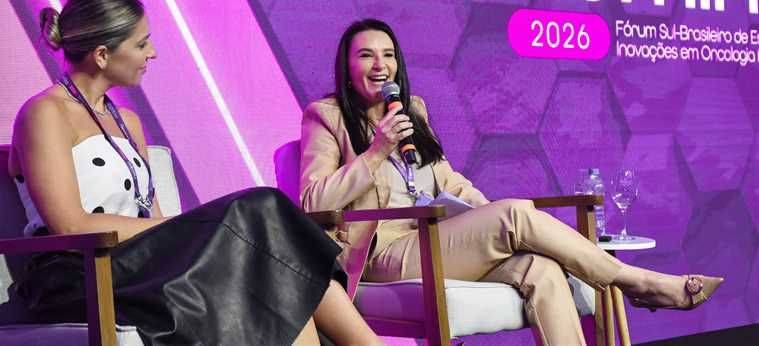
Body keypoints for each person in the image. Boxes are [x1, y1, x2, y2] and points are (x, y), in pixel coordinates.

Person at [299, 18, 723, 346]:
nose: (380, 65)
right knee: (515, 213)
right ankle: (635, 281)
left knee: (542, 269)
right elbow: (311, 201)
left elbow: (448, 180)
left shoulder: (413, 110)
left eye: (388, 55)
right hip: (382, 255)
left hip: (437, 241)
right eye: (366, 55)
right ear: (347, 67)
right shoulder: (327, 116)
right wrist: (376, 151)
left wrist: (485, 216)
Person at [3, 0, 382, 346]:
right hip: (81, 273)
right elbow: (70, 225)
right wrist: (193, 227)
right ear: (102, 55)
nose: (152, 53)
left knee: (268, 261)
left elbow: (150, 216)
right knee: (260, 210)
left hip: (139, 263)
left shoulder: (127, 121)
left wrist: (188, 231)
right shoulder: (45, 113)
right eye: (141, 44)